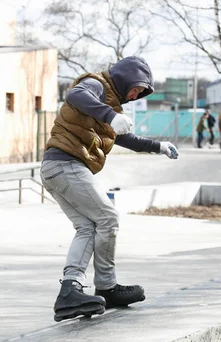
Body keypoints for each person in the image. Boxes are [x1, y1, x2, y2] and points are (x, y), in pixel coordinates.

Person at [40, 56, 179, 322]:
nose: (136, 94)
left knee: (88, 227)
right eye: (137, 88)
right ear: (127, 76)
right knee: (108, 217)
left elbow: (125, 138)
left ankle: (70, 290)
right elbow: (76, 95)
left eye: (140, 93)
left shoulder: (110, 104)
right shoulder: (95, 85)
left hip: (56, 169)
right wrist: (110, 115)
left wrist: (157, 146)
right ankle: (107, 286)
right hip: (66, 164)